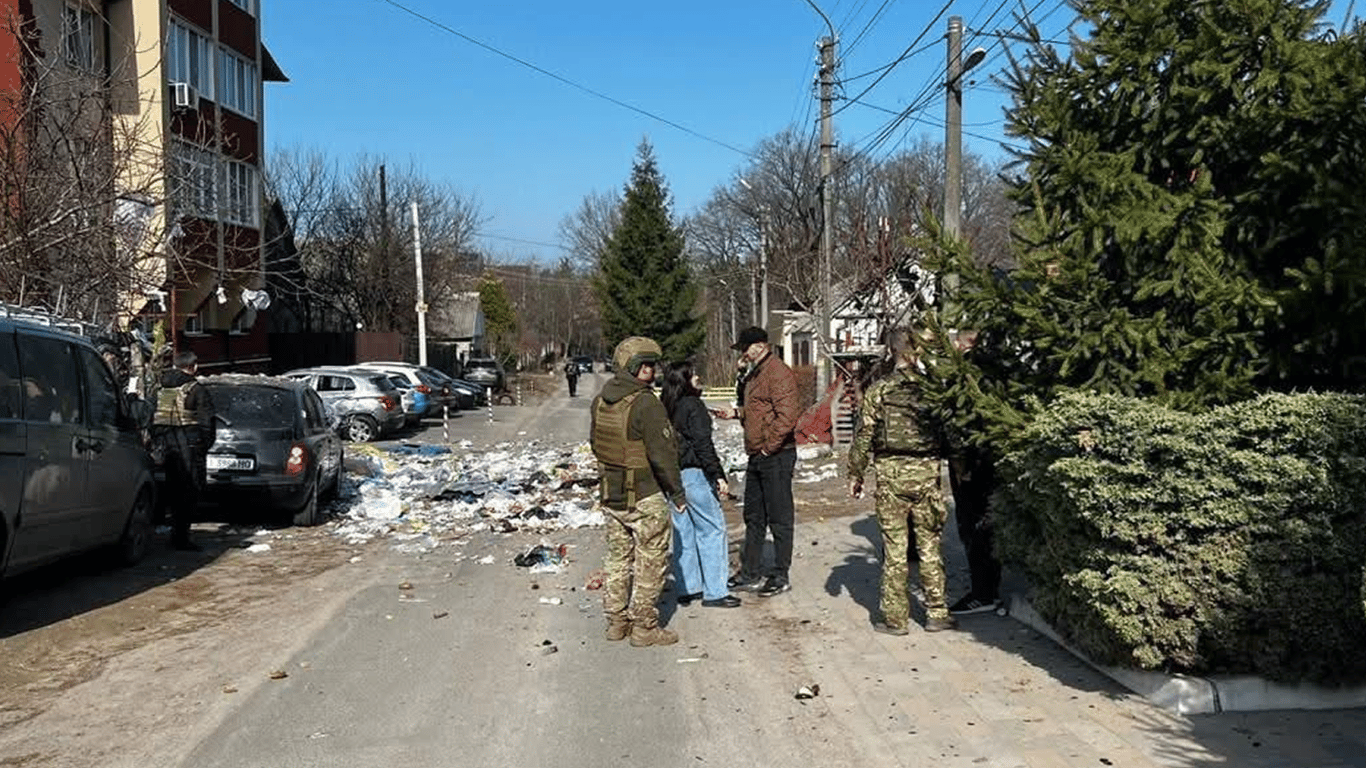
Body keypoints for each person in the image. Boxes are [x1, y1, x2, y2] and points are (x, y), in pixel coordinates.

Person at [846, 329, 956, 634]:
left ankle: (895, 619)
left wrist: (855, 473)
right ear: (916, 352)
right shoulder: (932, 389)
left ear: (891, 352)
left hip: (891, 475)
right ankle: (937, 613)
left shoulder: (879, 390)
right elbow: (950, 433)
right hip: (926, 475)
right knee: (930, 545)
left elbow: (864, 435)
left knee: (895, 550)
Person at [590, 336, 688, 647]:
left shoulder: (601, 401)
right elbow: (663, 454)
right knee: (651, 560)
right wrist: (677, 494)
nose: (654, 371)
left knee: (617, 558)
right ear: (639, 368)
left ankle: (616, 622)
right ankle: (645, 627)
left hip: (611, 494)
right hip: (644, 495)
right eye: (650, 365)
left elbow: (595, 445)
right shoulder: (646, 404)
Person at [713, 325, 800, 597]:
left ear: (758, 346)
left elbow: (787, 417)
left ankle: (779, 574)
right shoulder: (756, 373)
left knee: (779, 517)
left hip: (776, 455)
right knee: (754, 516)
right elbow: (758, 409)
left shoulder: (778, 373)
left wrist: (768, 448)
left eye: (745, 349)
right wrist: (737, 413)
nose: (743, 354)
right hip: (758, 455)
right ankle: (750, 572)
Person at [660, 360, 741, 609]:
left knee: (684, 531)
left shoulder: (665, 406)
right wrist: (718, 475)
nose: (698, 377)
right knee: (712, 529)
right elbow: (703, 445)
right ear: (685, 379)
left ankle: (688, 587)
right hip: (695, 475)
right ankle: (715, 591)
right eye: (693, 374)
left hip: (672, 477)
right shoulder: (694, 406)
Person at [944, 330, 1003, 615]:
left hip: (970, 462)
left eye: (955, 343)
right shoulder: (995, 371)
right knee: (987, 522)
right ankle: (989, 585)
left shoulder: (965, 375)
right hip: (990, 458)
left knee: (973, 524)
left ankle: (983, 592)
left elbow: (955, 420)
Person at [152, 350, 213, 551]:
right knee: (189, 490)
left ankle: (165, 530)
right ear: (193, 366)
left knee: (169, 487)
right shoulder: (195, 389)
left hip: (164, 444)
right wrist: (203, 446)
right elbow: (207, 422)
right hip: (189, 444)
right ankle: (181, 537)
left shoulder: (160, 387)